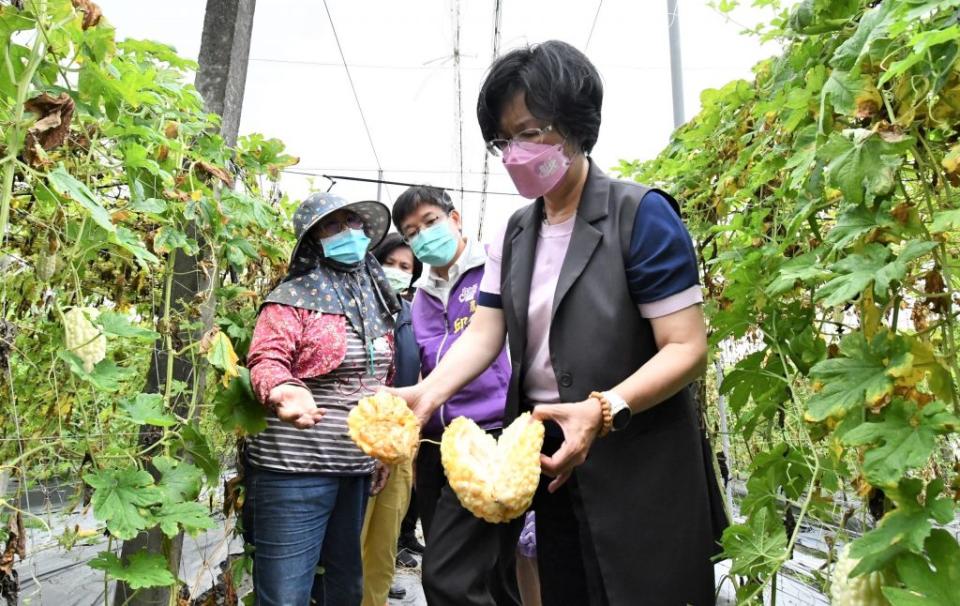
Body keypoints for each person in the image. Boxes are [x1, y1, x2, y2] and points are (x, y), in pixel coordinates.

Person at [393, 41, 728, 606]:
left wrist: (604, 408)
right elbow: (484, 331)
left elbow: (686, 346)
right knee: (564, 585)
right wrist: (428, 393)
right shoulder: (514, 235)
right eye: (504, 140)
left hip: (636, 450)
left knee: (642, 587)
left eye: (530, 132)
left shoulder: (638, 215)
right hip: (548, 449)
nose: (514, 153)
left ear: (575, 125)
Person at [243, 192, 398, 606]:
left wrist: (379, 451)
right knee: (285, 595)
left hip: (355, 470)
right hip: (294, 470)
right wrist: (283, 389)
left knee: (344, 589)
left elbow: (379, 382)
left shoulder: (376, 302)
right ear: (313, 240)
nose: (348, 233)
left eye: (353, 223)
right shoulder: (291, 299)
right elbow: (266, 357)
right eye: (332, 226)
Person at [392, 185, 521, 606]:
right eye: (412, 232)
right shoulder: (419, 298)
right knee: (488, 572)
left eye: (430, 222)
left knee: (448, 575)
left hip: (490, 434)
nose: (423, 236)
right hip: (436, 442)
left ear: (455, 218)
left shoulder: (495, 269)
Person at [357, 233, 422, 605]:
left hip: (398, 445)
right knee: (350, 543)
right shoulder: (353, 307)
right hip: (356, 443)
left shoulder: (410, 314)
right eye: (389, 263)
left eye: (405, 267)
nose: (396, 272)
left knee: (382, 547)